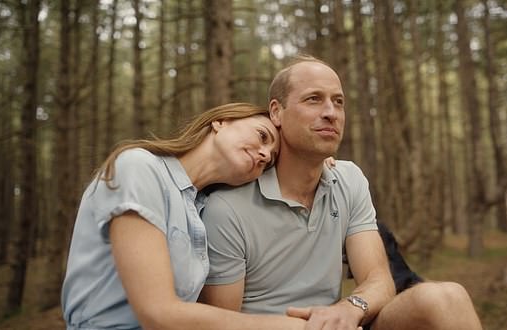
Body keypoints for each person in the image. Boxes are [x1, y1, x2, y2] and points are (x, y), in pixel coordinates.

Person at [199, 56, 483, 330]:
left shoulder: (349, 179)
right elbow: (221, 323)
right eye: (313, 99)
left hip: (340, 324)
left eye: (338, 102)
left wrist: (348, 309)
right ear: (276, 111)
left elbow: (379, 279)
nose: (330, 113)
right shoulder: (228, 205)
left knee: (447, 298)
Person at [61, 103, 311, 329]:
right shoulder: (139, 167)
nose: (265, 155)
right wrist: (296, 328)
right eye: (262, 135)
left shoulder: (204, 210)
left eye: (270, 162)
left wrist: (316, 167)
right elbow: (157, 313)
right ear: (221, 121)